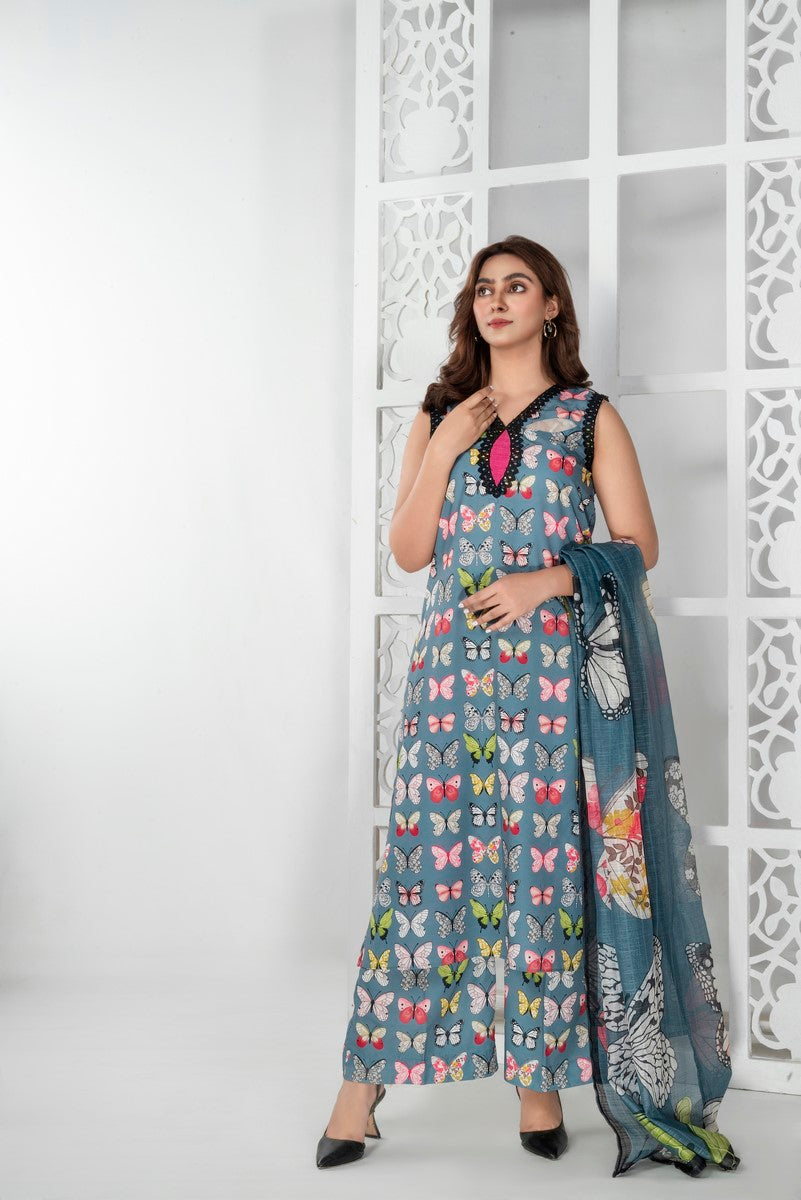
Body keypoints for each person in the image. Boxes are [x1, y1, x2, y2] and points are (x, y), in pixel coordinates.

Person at [316, 235, 658, 1169]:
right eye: (482, 289)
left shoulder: (587, 418)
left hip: (548, 686)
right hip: (449, 684)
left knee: (539, 880)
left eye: (517, 286)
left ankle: (536, 1087)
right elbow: (409, 550)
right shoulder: (441, 413)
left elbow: (638, 546)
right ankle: (360, 1089)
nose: (495, 300)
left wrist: (548, 579)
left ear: (551, 306)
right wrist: (444, 448)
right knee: (423, 878)